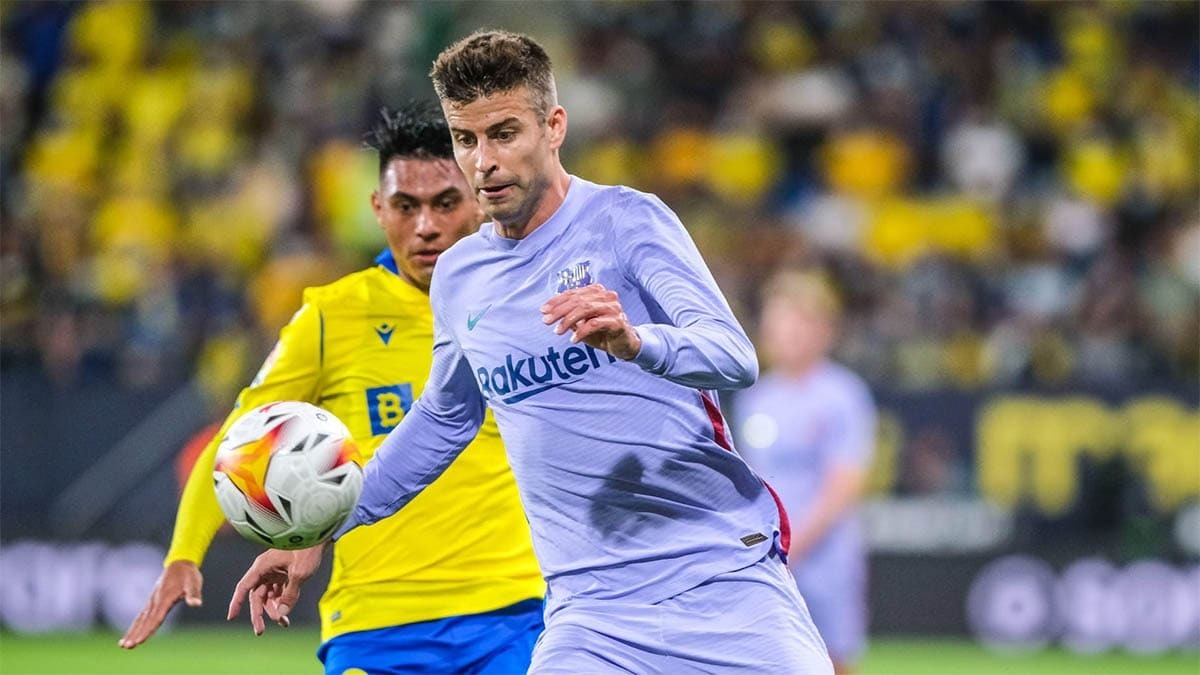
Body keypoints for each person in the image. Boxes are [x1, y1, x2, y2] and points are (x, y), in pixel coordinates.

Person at [230, 30, 832, 673]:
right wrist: (325, 520)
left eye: (504, 133)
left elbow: (733, 355)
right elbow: (442, 421)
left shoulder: (627, 220)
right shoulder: (461, 276)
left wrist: (635, 341)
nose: (483, 161)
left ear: (554, 127)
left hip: (720, 582)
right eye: (466, 139)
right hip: (590, 615)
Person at [120, 101, 545, 674]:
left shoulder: (527, 303)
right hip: (373, 624)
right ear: (377, 209)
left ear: (476, 197)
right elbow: (234, 443)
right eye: (405, 206)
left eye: (445, 202)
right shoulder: (331, 316)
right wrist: (183, 555)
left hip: (513, 615)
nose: (426, 226)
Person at [733, 270, 876, 675]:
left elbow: (844, 484)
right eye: (779, 321)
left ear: (822, 329)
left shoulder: (842, 395)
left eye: (797, 321)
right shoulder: (757, 397)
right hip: (772, 555)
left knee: (833, 660)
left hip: (825, 555)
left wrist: (797, 543)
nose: (786, 333)